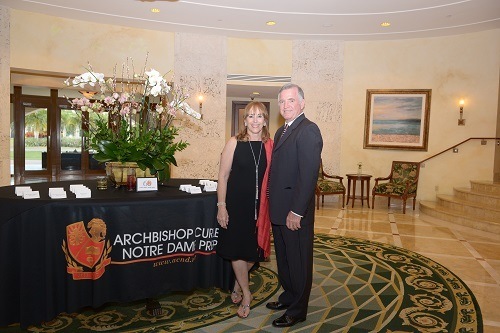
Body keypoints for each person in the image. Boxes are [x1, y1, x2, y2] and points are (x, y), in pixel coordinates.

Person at [266, 83, 323, 327]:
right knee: (285, 259)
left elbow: (308, 176)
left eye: (290, 100)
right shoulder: (281, 131)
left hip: (294, 212)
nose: (285, 105)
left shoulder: (309, 130)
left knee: (298, 261)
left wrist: (297, 211)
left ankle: (298, 309)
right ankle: (289, 296)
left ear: (302, 103)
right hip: (279, 209)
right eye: (282, 102)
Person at [216, 101, 274, 319]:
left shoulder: (271, 145)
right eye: (251, 116)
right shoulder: (234, 142)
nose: (255, 120)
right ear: (245, 120)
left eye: (260, 116)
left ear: (266, 120)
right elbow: (222, 177)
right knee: (238, 250)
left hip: (260, 207)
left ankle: (238, 284)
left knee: (254, 252)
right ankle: (247, 293)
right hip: (236, 205)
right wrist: (222, 206)